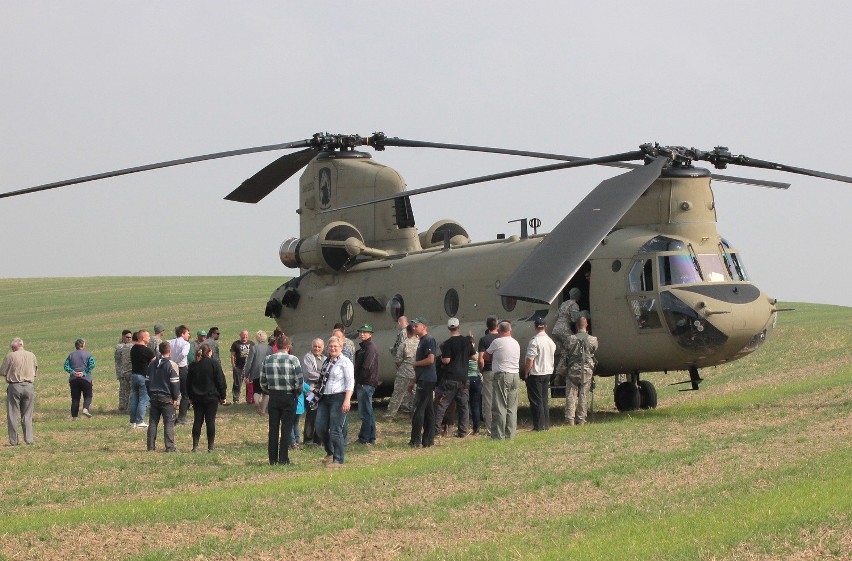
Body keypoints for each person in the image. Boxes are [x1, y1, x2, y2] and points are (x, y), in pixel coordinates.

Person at [261, 335, 303, 465]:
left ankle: (272, 459)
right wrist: (296, 393)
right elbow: (299, 381)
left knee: (273, 428)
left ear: (276, 346)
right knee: (286, 428)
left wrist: (270, 391)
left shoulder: (267, 360)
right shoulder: (293, 360)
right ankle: (283, 459)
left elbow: (263, 382)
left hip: (273, 396)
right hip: (288, 395)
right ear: (288, 346)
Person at [315, 336, 354, 466]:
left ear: (341, 348)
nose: (332, 349)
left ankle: (338, 459)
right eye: (330, 346)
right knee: (320, 427)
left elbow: (350, 382)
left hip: (339, 397)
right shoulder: (326, 361)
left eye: (335, 347)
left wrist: (347, 400)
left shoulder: (345, 362)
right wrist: (312, 396)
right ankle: (329, 451)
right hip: (324, 398)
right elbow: (321, 382)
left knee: (335, 430)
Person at [434, 318, 476, 438]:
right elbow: (474, 357)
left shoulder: (448, 343)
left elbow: (446, 360)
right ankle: (462, 432)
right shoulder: (466, 342)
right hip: (463, 378)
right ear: (459, 327)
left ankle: (436, 431)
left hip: (450, 378)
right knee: (463, 406)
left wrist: (441, 359)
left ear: (449, 328)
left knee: (442, 405)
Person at [484, 320, 521, 440]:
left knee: (500, 405)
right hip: (515, 375)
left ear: (499, 331)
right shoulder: (515, 342)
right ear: (510, 330)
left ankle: (498, 435)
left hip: (502, 375)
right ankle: (510, 434)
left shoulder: (497, 342)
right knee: (511, 407)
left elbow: (485, 355)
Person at [187, 343, 227, 452]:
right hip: (211, 397)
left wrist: (190, 396)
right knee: (210, 421)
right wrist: (223, 396)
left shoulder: (193, 365)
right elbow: (220, 381)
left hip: (197, 397)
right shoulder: (214, 364)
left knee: (197, 421)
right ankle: (210, 447)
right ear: (209, 352)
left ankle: (195, 446)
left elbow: (188, 382)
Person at [145, 341, 180, 452]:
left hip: (154, 396)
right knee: (169, 422)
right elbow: (174, 383)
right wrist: (175, 398)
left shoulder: (151, 364)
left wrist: (150, 393)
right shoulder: (172, 365)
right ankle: (169, 447)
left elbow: (147, 381)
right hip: (166, 397)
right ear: (169, 350)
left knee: (153, 422)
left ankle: (150, 447)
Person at [2, 338, 38, 446]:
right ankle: (29, 439)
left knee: (13, 414)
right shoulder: (32, 355)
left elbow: (2, 371)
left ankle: (14, 441)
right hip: (29, 386)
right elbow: (35, 370)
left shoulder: (10, 356)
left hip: (15, 386)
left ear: (13, 347)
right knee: (27, 414)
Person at [564, 316, 598, 426]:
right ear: (586, 324)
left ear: (577, 325)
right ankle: (581, 419)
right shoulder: (593, 340)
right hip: (587, 371)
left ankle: (569, 419)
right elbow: (594, 350)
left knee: (571, 395)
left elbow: (565, 354)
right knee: (583, 395)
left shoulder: (570, 339)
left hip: (573, 370)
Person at [409, 317, 437, 448]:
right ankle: (429, 439)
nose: (414, 328)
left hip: (427, 379)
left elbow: (430, 360)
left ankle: (416, 440)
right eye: (413, 326)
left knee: (419, 409)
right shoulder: (421, 341)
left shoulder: (429, 340)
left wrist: (416, 364)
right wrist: (414, 380)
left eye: (416, 326)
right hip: (422, 378)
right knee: (429, 410)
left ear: (424, 326)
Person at [524, 317, 556, 431]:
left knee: (536, 401)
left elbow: (530, 359)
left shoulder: (534, 341)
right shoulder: (550, 341)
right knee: (544, 400)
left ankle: (538, 425)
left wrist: (526, 372)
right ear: (545, 327)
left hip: (536, 373)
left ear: (535, 327)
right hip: (547, 372)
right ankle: (546, 424)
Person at [384, 324, 418, 419]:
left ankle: (389, 415)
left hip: (404, 372)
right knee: (414, 393)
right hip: (416, 372)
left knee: (398, 394)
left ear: (407, 332)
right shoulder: (420, 343)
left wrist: (399, 366)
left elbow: (398, 360)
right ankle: (413, 412)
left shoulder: (404, 344)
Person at [354, 323, 379, 445]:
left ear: (371, 334)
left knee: (365, 412)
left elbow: (367, 367)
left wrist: (360, 382)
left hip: (366, 384)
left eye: (365, 332)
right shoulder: (364, 348)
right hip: (366, 383)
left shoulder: (370, 348)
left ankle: (364, 437)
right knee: (368, 411)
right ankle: (371, 437)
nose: (362, 334)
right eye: (360, 332)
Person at [477, 316, 499, 436]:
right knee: (500, 399)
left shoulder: (484, 339)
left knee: (489, 400)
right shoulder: (502, 338)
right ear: (497, 325)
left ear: (487, 326)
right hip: (500, 371)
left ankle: (491, 429)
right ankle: (502, 424)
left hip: (488, 370)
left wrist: (482, 370)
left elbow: (481, 359)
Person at [129, 329, 155, 429]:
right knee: (144, 399)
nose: (149, 338)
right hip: (143, 377)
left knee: (134, 399)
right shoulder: (146, 350)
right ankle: (140, 421)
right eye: (148, 336)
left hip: (134, 375)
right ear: (143, 338)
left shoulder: (133, 348)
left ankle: (133, 422)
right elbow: (154, 363)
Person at [64, 338, 96, 420]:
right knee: (88, 395)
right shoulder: (88, 354)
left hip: (74, 380)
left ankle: (74, 417)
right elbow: (92, 365)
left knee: (75, 398)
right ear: (83, 345)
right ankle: (85, 408)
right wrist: (84, 373)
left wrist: (73, 372)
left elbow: (66, 366)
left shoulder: (71, 355)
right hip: (86, 379)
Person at [301, 338, 325, 445]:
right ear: (312, 346)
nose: (317, 348)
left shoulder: (325, 358)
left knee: (320, 414)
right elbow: (308, 373)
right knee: (311, 413)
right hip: (310, 392)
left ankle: (318, 439)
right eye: (315, 346)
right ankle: (308, 439)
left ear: (322, 348)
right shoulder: (308, 357)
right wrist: (323, 377)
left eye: (319, 347)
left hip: (322, 391)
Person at [244, 330, 273, 415]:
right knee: (266, 393)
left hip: (256, 372)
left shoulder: (254, 348)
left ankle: (256, 401)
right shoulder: (270, 348)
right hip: (267, 372)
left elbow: (249, 362)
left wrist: (246, 374)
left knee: (256, 390)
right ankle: (263, 410)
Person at [168, 325, 191, 425]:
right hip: (181, 368)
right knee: (185, 394)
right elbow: (183, 354)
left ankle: (170, 415)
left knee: (172, 392)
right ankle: (181, 417)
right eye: (187, 333)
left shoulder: (169, 342)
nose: (189, 335)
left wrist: (170, 361)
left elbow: (159, 350)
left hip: (170, 367)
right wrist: (176, 362)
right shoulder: (186, 344)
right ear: (182, 333)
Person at [230, 330, 253, 404]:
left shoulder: (251, 343)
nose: (244, 337)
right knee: (237, 383)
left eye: (246, 336)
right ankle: (236, 399)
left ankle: (248, 399)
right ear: (240, 335)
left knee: (249, 383)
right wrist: (234, 366)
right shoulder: (235, 344)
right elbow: (232, 355)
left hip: (248, 367)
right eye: (243, 336)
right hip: (239, 367)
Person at [466, 339, 483, 435]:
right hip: (476, 379)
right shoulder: (477, 354)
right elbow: (481, 364)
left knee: (464, 404)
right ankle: (476, 428)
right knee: (475, 404)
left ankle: (464, 426)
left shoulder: (463, 355)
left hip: (466, 379)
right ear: (474, 343)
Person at [114, 329, 133, 412]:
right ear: (123, 337)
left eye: (130, 337)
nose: (129, 339)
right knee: (124, 390)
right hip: (122, 371)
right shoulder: (120, 346)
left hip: (126, 371)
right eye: (127, 337)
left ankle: (125, 406)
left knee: (126, 390)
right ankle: (123, 406)